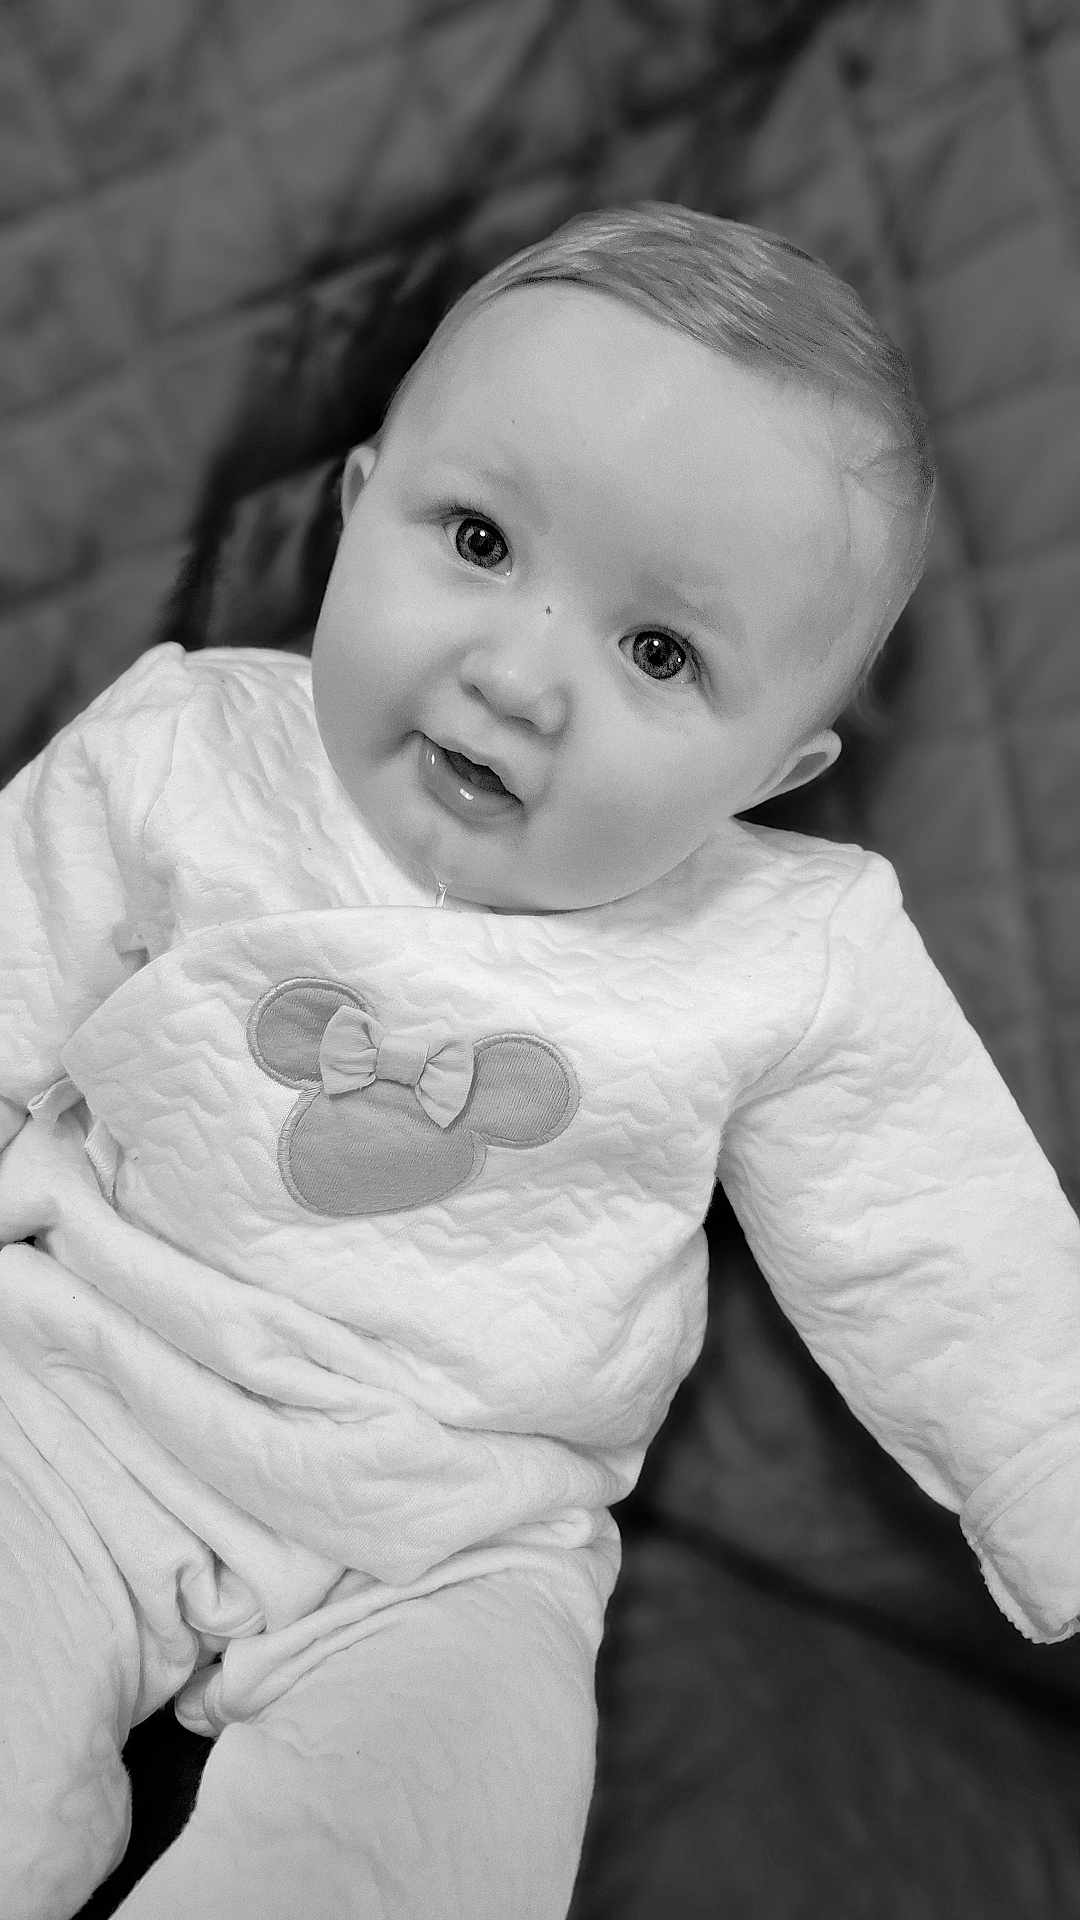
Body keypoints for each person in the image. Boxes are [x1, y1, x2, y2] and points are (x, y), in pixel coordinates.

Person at [0, 202, 1077, 1920]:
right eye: (481, 539)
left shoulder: (790, 948)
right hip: (74, 1395)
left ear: (777, 769)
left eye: (660, 653)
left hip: (460, 1544)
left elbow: (946, 1242)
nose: (519, 676)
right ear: (359, 509)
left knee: (422, 1848)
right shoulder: (186, 749)